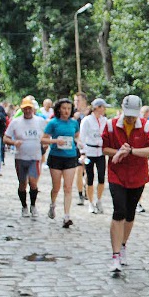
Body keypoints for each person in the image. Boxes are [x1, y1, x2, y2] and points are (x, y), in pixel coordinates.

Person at [102, 95, 149, 272]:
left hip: (137, 175)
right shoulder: (111, 125)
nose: (130, 118)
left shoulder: (148, 126)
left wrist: (132, 151)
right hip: (116, 173)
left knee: (130, 212)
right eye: (127, 114)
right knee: (119, 210)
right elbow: (104, 148)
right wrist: (119, 152)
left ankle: (123, 244)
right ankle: (115, 254)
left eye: (133, 115)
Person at [4, 97, 47, 217]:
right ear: (22, 109)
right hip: (20, 157)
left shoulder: (40, 121)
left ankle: (33, 205)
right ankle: (24, 206)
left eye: (29, 108)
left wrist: (45, 146)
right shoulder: (16, 122)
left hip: (35, 157)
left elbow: (47, 136)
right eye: (25, 109)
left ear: (33, 109)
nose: (27, 111)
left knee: (33, 182)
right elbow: (5, 138)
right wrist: (14, 143)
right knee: (22, 183)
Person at [42, 98, 81, 228]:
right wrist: (55, 141)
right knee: (56, 186)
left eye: (69, 109)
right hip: (56, 157)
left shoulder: (74, 123)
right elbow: (43, 139)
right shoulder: (53, 123)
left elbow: (76, 136)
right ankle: (53, 204)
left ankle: (66, 216)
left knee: (68, 187)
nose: (66, 111)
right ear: (59, 109)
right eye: (64, 108)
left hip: (70, 157)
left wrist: (78, 143)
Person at [80, 98, 109, 214]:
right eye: (103, 107)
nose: (104, 110)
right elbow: (82, 137)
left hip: (101, 152)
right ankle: (90, 202)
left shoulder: (104, 120)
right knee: (90, 178)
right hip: (90, 151)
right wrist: (83, 152)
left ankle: (99, 200)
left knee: (101, 177)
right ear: (97, 108)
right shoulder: (87, 120)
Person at [73, 92, 90, 205]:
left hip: (89, 147)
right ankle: (80, 194)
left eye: (78, 101)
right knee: (78, 171)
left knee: (88, 171)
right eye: (75, 101)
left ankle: (87, 190)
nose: (76, 103)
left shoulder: (90, 113)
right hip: (77, 146)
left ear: (84, 101)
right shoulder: (73, 115)